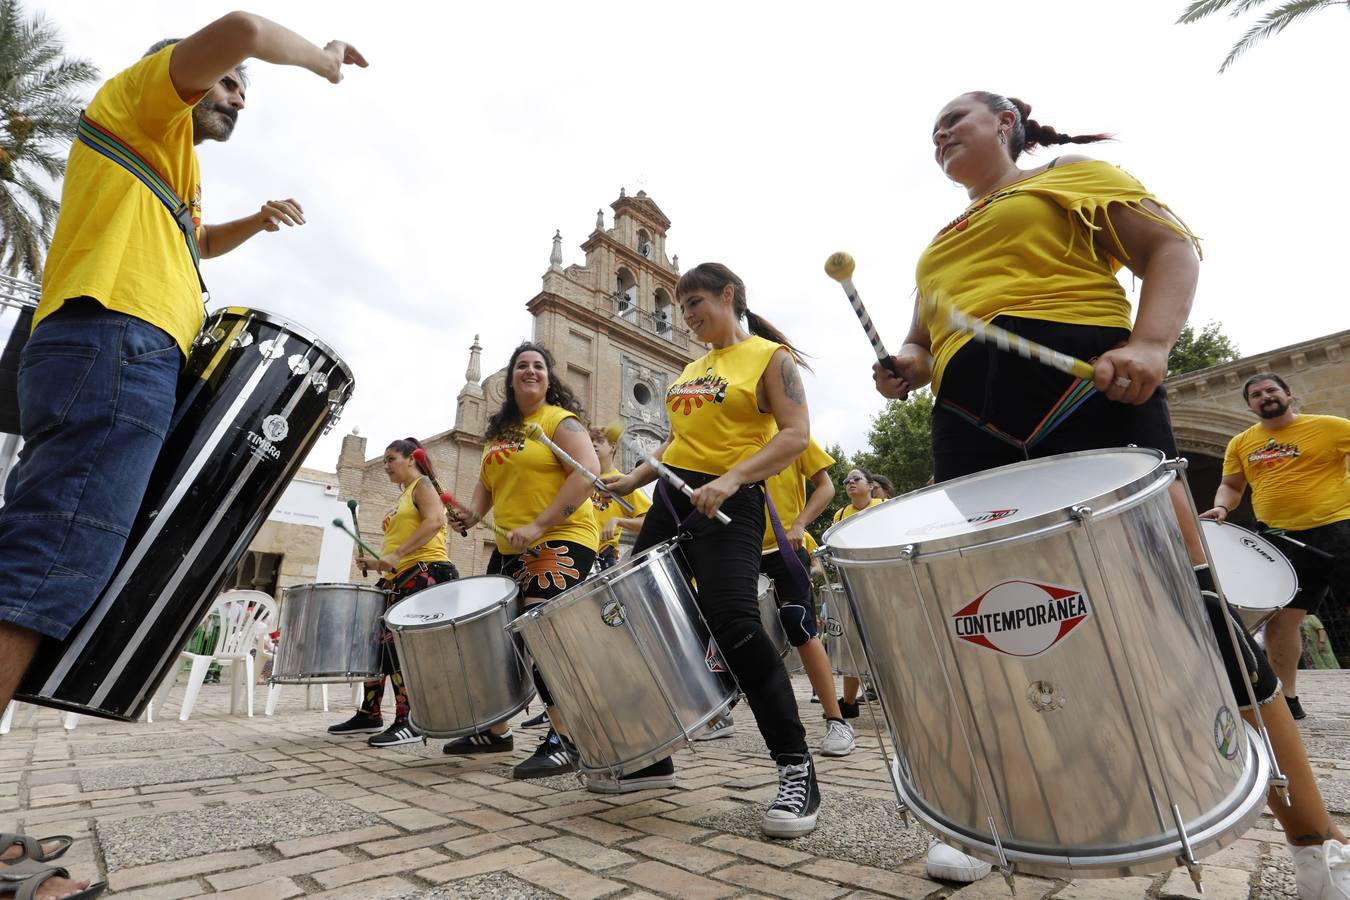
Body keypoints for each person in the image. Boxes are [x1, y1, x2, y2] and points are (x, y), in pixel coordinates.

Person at [871, 91, 1350, 895]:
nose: (941, 131)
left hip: (1089, 387)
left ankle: (1315, 838)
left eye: (959, 117)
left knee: (1186, 600)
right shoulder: (937, 245)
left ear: (1008, 125)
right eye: (933, 128)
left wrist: (1153, 343)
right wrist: (905, 368)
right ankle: (1004, 821)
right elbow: (923, 341)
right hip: (965, 416)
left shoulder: (1070, 176)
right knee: (993, 618)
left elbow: (1171, 248)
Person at [0, 14, 365, 899]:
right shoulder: (145, 101)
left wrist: (253, 223)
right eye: (230, 84)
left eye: (242, 87)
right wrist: (314, 58)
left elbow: (191, 241)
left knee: (43, 566)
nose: (236, 95)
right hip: (115, 342)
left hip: (113, 348)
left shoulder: (168, 166)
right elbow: (238, 25)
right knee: (41, 570)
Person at [602, 262, 820, 838]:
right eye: (681, 306)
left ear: (728, 295)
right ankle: (652, 754)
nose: (687, 314)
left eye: (695, 301)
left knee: (737, 625)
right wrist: (631, 482)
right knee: (634, 615)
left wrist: (730, 480)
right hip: (674, 500)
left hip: (731, 502)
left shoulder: (771, 358)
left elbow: (795, 435)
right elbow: (678, 443)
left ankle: (797, 768)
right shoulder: (690, 369)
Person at [441, 342, 600, 778]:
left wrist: (539, 525)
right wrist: (470, 516)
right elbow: (487, 487)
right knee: (495, 636)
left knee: (541, 636)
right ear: (510, 379)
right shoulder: (501, 434)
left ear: (550, 378)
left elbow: (588, 474)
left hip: (562, 538)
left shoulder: (560, 422)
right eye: (522, 366)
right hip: (514, 547)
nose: (531, 371)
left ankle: (566, 738)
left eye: (539, 366)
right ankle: (495, 730)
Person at [1201, 373, 1350, 720]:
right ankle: (1288, 700)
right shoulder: (1241, 443)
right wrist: (1222, 506)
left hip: (1338, 527)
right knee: (1281, 620)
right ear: (1250, 405)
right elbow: (1231, 485)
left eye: (1271, 390)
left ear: (1288, 394)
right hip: (1280, 538)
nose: (1264, 396)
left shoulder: (1329, 426)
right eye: (1256, 394)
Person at [327, 438, 455, 747]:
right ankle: (369, 712)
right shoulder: (403, 496)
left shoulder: (423, 485)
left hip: (425, 572)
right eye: (383, 460)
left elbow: (435, 521)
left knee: (396, 646)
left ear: (412, 459)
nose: (386, 465)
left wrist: (395, 556)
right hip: (399, 577)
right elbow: (399, 543)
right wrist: (376, 562)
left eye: (391, 459)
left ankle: (409, 719)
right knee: (375, 646)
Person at [831, 468, 883, 718]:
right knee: (853, 642)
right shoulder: (840, 514)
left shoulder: (885, 507)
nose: (850, 483)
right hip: (853, 584)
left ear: (871, 485)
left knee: (886, 643)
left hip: (883, 582)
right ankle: (849, 703)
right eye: (846, 481)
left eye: (856, 479)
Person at [590, 422, 652, 571]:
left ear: (613, 446)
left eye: (599, 441)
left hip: (601, 558)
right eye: (590, 441)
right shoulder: (579, 480)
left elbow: (650, 521)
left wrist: (617, 521)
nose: (593, 444)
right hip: (575, 550)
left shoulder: (622, 483)